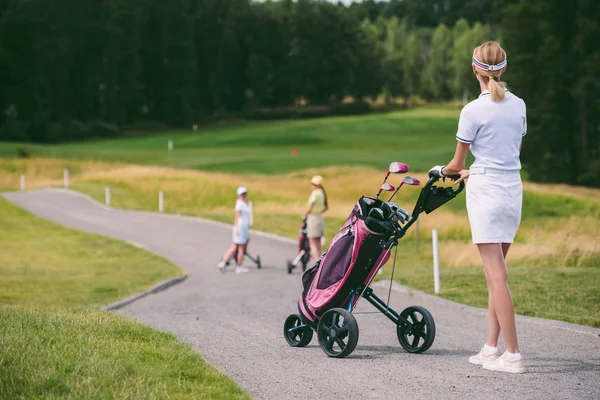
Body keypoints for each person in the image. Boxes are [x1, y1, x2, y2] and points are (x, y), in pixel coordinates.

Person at [429, 41, 527, 374]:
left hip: (486, 193)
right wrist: (475, 168)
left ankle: (512, 354)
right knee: (494, 274)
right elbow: (505, 153)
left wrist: (443, 171)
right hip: (512, 189)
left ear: (475, 70)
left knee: (496, 276)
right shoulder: (520, 106)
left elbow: (456, 165)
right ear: (503, 69)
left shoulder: (472, 110)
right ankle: (490, 348)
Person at [218, 187, 251, 274]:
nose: (243, 196)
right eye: (242, 194)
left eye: (244, 194)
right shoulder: (240, 204)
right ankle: (239, 266)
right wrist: (237, 229)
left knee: (234, 247)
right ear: (238, 195)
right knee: (240, 248)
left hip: (242, 227)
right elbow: (237, 217)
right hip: (240, 228)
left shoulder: (243, 204)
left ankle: (223, 263)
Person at [303, 175, 328, 262]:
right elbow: (326, 207)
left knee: (312, 242)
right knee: (318, 242)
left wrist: (305, 215)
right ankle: (321, 261)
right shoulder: (322, 193)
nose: (312, 185)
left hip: (313, 218)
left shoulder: (315, 193)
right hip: (319, 217)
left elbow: (310, 206)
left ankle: (316, 263)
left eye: (314, 184)